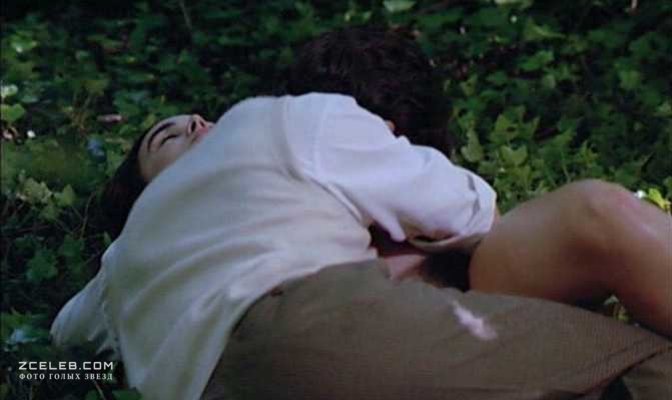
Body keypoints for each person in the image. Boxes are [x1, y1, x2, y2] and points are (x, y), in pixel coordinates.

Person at [50, 27, 672, 400]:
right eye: (168, 137)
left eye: (207, 121)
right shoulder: (277, 126)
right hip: (316, 332)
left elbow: (60, 348)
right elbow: (472, 209)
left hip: (257, 370)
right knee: (641, 362)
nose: (199, 125)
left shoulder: (129, 279)